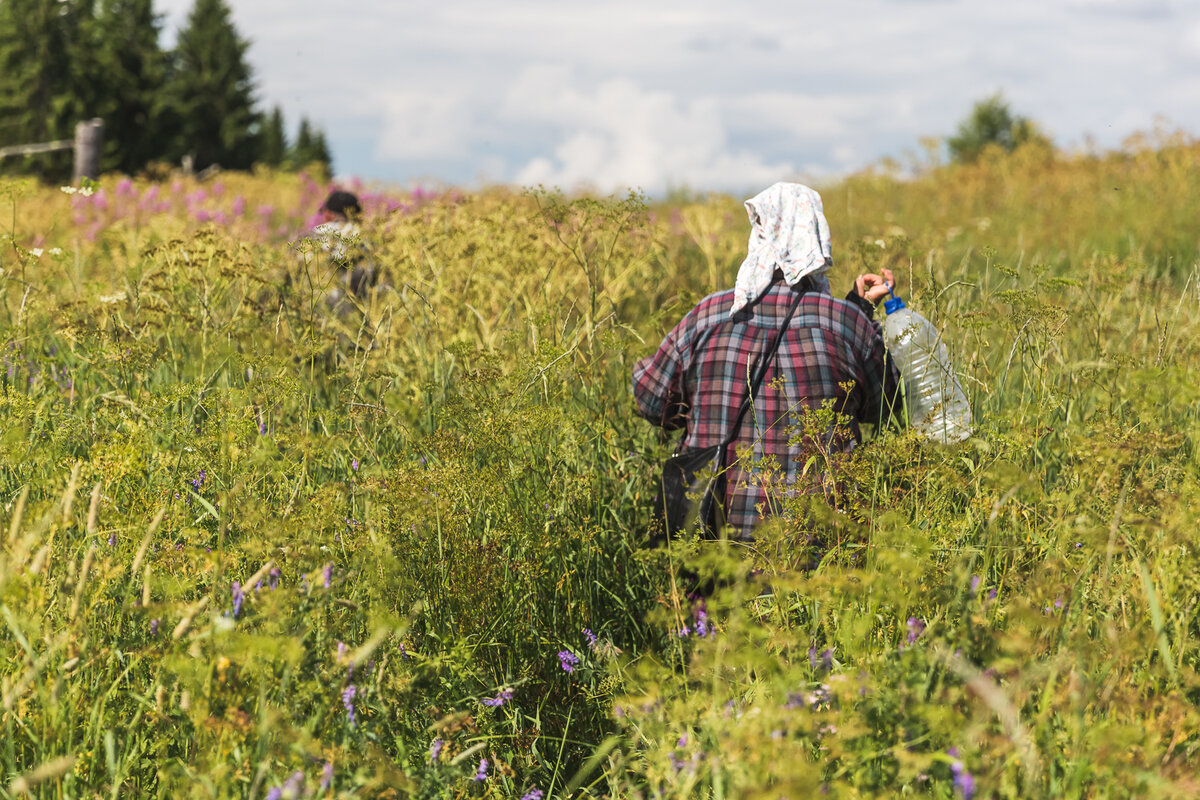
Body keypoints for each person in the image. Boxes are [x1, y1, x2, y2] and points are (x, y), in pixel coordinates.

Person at [633, 182, 900, 540]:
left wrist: (700, 409)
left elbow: (651, 401)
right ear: (818, 239)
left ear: (759, 234)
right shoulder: (845, 322)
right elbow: (885, 406)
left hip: (713, 543)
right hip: (819, 553)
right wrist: (859, 309)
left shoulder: (708, 316)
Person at [310, 190, 381, 310]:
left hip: (315, 309)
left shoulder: (314, 235)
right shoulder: (369, 240)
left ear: (328, 214)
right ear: (358, 216)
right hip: (356, 311)